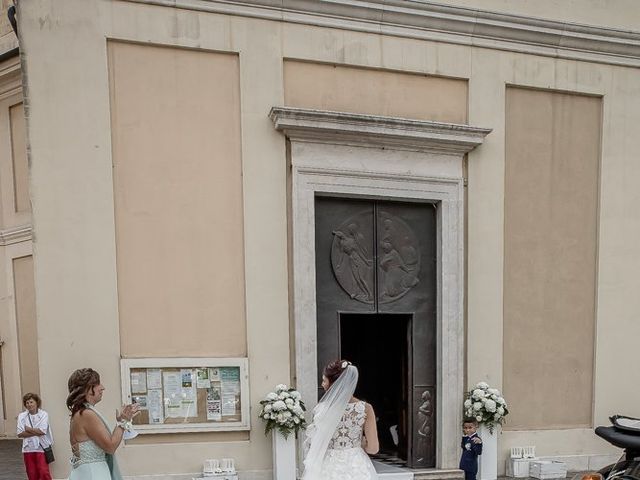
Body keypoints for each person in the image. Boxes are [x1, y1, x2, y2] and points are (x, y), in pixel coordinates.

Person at [302, 359, 379, 480]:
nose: (322, 384)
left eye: (324, 380)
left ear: (335, 383)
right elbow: (373, 449)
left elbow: (314, 443)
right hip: (356, 465)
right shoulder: (365, 409)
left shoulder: (321, 409)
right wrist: (360, 443)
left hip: (328, 465)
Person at [66, 368, 139, 480]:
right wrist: (123, 422)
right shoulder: (86, 414)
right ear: (88, 389)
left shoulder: (80, 413)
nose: (103, 387)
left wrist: (121, 422)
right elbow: (110, 446)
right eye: (98, 384)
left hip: (86, 472)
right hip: (93, 474)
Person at [17, 392, 53, 480]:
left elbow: (43, 431)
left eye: (31, 402)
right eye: (27, 403)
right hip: (28, 448)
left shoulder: (44, 414)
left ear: (37, 402)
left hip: (41, 447)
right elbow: (20, 433)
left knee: (43, 472)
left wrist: (28, 429)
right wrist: (37, 431)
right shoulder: (22, 416)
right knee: (32, 473)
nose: (29, 404)